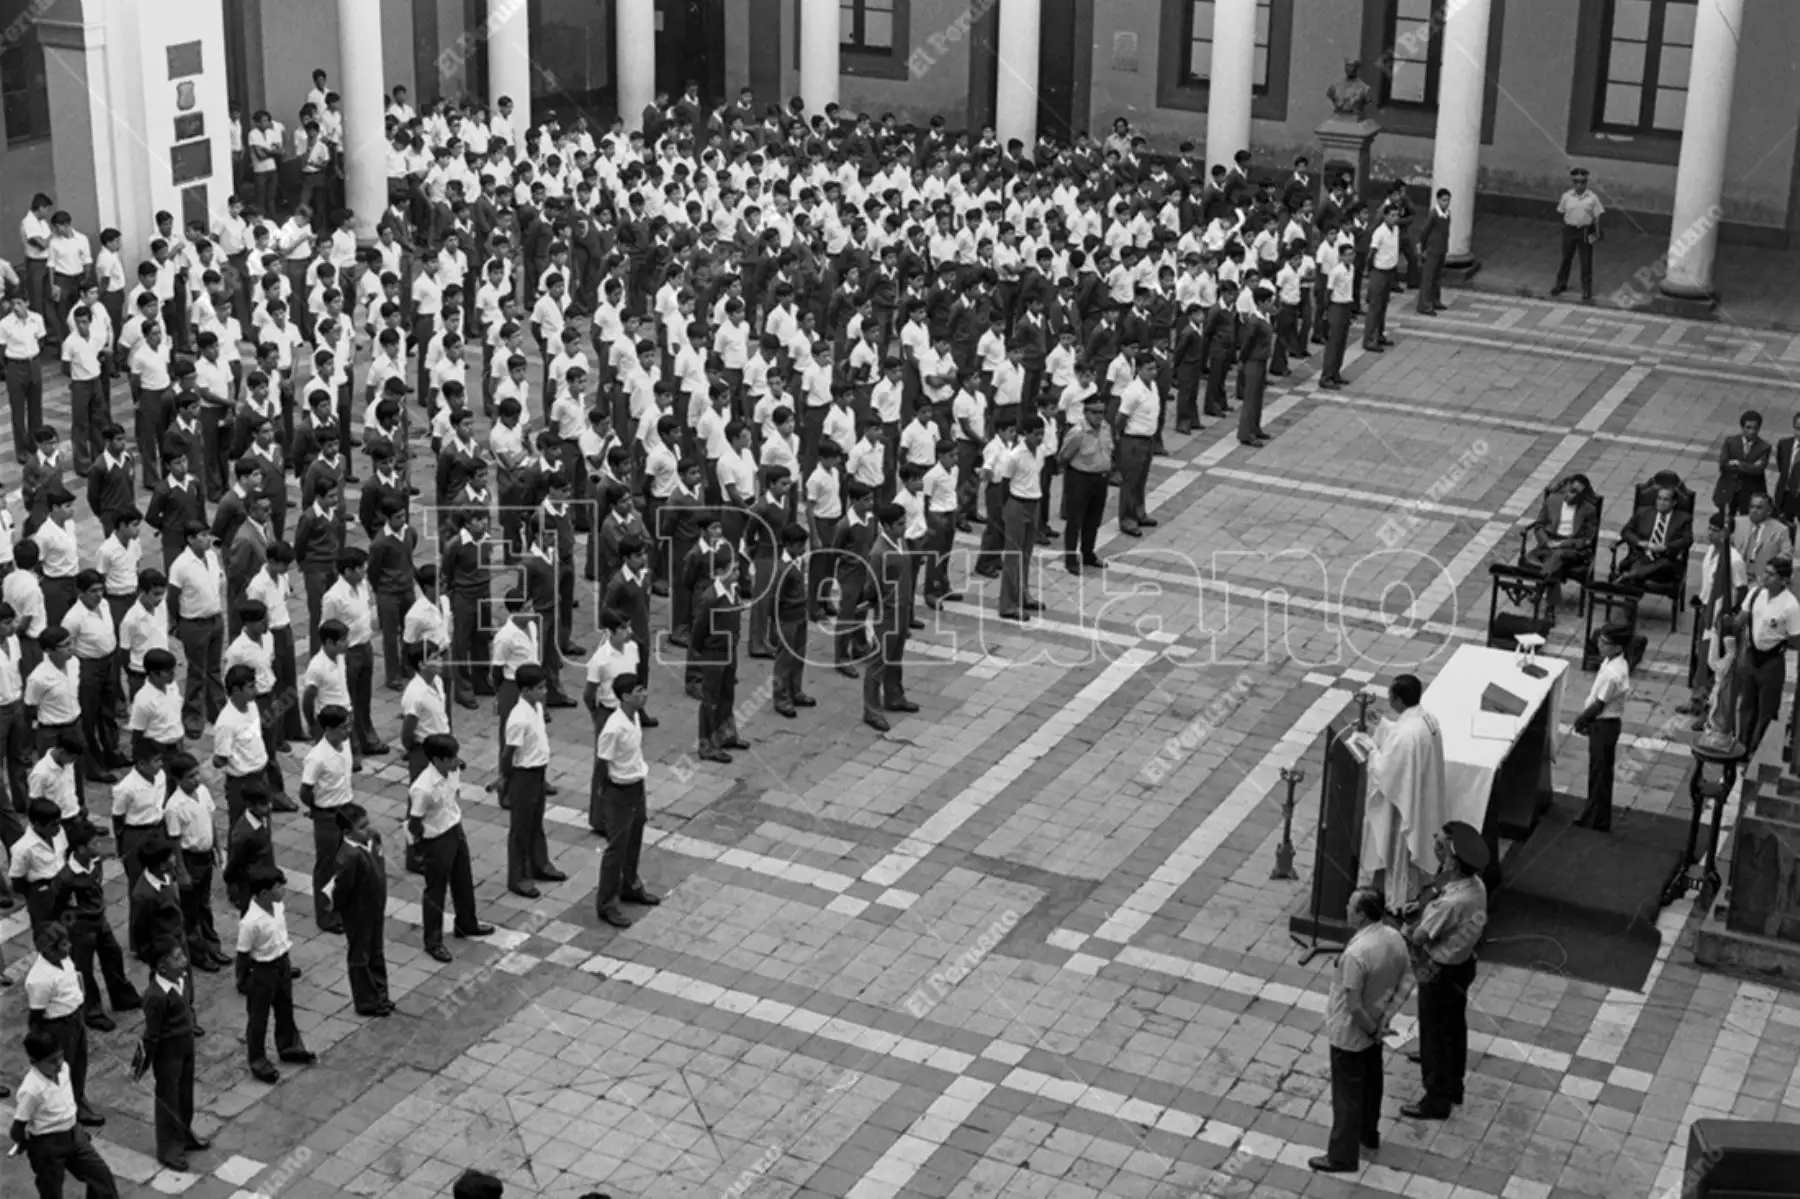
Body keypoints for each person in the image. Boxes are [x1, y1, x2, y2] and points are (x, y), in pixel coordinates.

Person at [1309, 887, 1408, 1174]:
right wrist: (1383, 1021)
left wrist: (1370, 1029)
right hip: (1376, 1022)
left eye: (1350, 906)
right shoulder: (1394, 937)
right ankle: (1368, 1133)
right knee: (1371, 1084)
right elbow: (1405, 980)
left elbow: (1352, 1004)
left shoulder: (1356, 954)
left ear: (1362, 914)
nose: (1345, 908)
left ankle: (1341, 1156)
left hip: (1352, 1034)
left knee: (1347, 1095)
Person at [1401, 821, 1489, 1122]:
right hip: (1462, 966)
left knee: (1435, 1033)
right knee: (1453, 1027)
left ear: (1453, 858)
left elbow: (1419, 937)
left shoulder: (1452, 902)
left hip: (1439, 970)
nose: (1435, 847)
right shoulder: (1475, 886)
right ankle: (1454, 1085)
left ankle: (1436, 1099)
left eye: (1440, 845)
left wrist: (1408, 925)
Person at [1362, 673, 1446, 915]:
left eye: (1390, 695)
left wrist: (1370, 749)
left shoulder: (1407, 733)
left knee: (1402, 855)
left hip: (1405, 805)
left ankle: (1399, 901)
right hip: (1422, 798)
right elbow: (1404, 741)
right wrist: (1384, 725)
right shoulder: (1427, 719)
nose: (1388, 699)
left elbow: (1386, 770)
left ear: (1398, 700)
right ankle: (1416, 891)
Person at [46, 820, 141, 1031]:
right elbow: (56, 908)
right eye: (93, 842)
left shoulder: (95, 861)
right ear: (80, 848)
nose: (98, 845)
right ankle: (92, 1011)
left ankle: (122, 996)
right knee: (85, 969)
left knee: (113, 955)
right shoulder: (66, 878)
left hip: (100, 920)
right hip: (81, 928)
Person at [408, 733, 493, 960]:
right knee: (436, 890)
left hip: (455, 828)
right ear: (436, 760)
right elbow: (414, 822)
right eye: (451, 757)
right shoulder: (423, 788)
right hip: (435, 838)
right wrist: (419, 845)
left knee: (463, 879)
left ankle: (466, 923)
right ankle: (433, 940)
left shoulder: (453, 770)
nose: (456, 761)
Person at [11, 1028, 122, 1198]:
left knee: (101, 1177)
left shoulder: (64, 1069)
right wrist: (30, 1144)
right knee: (51, 1190)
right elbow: (17, 1128)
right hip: (48, 1144)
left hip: (74, 1134)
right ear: (34, 1062)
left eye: (60, 1056)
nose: (59, 1064)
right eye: (51, 1061)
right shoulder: (31, 1090)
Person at [235, 866, 317, 1083]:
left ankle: (289, 1046)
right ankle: (258, 1060)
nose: (283, 889)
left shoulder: (278, 906)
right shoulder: (250, 922)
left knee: (285, 1007)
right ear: (263, 893)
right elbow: (242, 955)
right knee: (258, 1017)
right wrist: (244, 981)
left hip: (282, 962)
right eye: (279, 887)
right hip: (262, 969)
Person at [24, 922, 105, 1128]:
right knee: (63, 1068)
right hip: (58, 1026)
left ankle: (79, 1100)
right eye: (63, 944)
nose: (68, 947)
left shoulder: (64, 960)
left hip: (74, 1018)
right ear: (49, 949)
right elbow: (36, 1015)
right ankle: (66, 1110)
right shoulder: (40, 979)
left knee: (80, 1063)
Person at [136, 944, 209, 1170]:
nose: (184, 960)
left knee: (185, 1094)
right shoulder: (155, 996)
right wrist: (139, 1065)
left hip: (186, 1046)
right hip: (168, 1055)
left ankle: (185, 1134)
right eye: (176, 958)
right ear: (162, 968)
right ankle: (168, 1147)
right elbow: (150, 1035)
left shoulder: (182, 980)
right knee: (169, 1099)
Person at [595, 673, 658, 928]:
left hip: (636, 785)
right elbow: (602, 763)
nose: (644, 694)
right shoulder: (613, 727)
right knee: (616, 847)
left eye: (643, 689)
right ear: (625, 697)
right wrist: (605, 793)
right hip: (619, 790)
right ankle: (606, 903)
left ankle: (630, 884)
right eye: (638, 691)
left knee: (635, 838)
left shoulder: (634, 718)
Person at [500, 664, 566, 897]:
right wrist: (505, 780)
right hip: (523, 775)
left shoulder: (536, 707)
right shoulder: (518, 718)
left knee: (535, 822)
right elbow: (508, 753)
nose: (544, 691)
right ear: (526, 690)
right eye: (539, 688)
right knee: (520, 828)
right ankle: (518, 878)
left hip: (538, 772)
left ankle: (540, 864)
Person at [163, 751, 228, 969]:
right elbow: (174, 841)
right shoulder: (174, 807)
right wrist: (181, 871)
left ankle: (213, 947)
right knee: (191, 911)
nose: (196, 779)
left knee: (205, 904)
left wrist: (218, 850)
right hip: (190, 859)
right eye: (190, 776)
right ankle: (198, 954)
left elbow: (211, 822)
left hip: (206, 855)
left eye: (197, 774)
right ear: (178, 779)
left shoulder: (203, 792)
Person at [327, 802, 393, 1017]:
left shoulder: (373, 838)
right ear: (348, 831)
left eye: (367, 824)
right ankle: (366, 1001)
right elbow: (342, 889)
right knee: (360, 956)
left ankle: (380, 993)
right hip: (358, 913)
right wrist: (338, 909)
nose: (367, 830)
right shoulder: (348, 857)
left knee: (377, 951)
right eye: (362, 827)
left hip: (376, 906)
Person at [1733, 557, 1800, 756]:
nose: (1765, 577)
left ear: (1784, 581)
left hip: (1772, 661)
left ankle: (1757, 753)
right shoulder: (1756, 594)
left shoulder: (1790, 606)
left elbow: (1796, 639)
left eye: (1771, 575)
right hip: (1752, 656)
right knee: (1746, 706)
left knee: (1767, 710)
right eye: (1765, 572)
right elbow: (1741, 620)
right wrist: (1728, 622)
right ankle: (1741, 748)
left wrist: (1779, 639)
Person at [300, 705, 354, 933]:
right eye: (343, 727)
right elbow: (305, 790)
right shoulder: (317, 757)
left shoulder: (346, 745)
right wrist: (316, 808)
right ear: (329, 729)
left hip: (346, 811)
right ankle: (326, 915)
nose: (348, 731)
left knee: (346, 863)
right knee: (327, 867)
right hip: (327, 815)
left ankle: (342, 907)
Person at [863, 502, 917, 731]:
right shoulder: (879, 552)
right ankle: (871, 710)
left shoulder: (900, 542)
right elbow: (871, 587)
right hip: (887, 612)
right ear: (886, 526)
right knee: (878, 662)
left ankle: (894, 696)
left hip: (903, 608)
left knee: (896, 657)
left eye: (904, 522)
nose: (904, 527)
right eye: (899, 524)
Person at [1573, 628, 1631, 832]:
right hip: (1603, 724)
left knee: (1600, 774)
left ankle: (1598, 820)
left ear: (1617, 647)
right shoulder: (1611, 662)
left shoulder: (1614, 674)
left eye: (1604, 642)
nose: (1599, 645)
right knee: (1597, 772)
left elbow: (1599, 704)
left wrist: (1581, 721)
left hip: (1604, 724)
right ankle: (1593, 814)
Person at [693, 550, 748, 763]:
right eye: (732, 570)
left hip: (730, 650)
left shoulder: (734, 590)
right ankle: (707, 744)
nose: (737, 573)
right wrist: (703, 650)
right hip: (714, 653)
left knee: (727, 694)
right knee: (710, 699)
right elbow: (699, 628)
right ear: (718, 572)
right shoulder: (710, 598)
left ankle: (726, 733)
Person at [1058, 394, 1112, 575]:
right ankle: (1070, 558)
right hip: (1080, 478)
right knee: (1075, 520)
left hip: (1100, 478)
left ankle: (1088, 553)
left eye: (1102, 412)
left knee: (1094, 519)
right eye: (1095, 412)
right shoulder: (1077, 432)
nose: (1099, 416)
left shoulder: (1106, 428)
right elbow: (1064, 456)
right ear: (1085, 412)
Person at [1614, 485, 1693, 590]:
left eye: (1665, 500)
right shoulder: (1643, 512)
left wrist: (1665, 547)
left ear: (1674, 503)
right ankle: (1634, 579)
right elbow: (1626, 531)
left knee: (1663, 564)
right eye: (1659, 498)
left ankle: (1632, 575)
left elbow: (1687, 540)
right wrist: (1640, 542)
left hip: (1665, 561)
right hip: (1643, 556)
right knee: (1637, 569)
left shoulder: (1684, 519)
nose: (1661, 502)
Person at [1551, 167, 1603, 303]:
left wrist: (1596, 234)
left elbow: (1597, 217)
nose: (1579, 185)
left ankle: (1586, 290)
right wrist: (1565, 228)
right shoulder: (1566, 196)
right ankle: (1560, 284)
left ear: (1586, 183)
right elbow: (1561, 213)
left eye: (1582, 182)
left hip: (1586, 231)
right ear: (1573, 183)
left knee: (1586, 261)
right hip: (1570, 229)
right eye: (1576, 182)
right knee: (1566, 258)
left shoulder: (1592, 198)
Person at [1363, 206, 1401, 352]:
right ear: (1385, 217)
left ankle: (1379, 334)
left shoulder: (1396, 230)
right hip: (1379, 271)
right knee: (1374, 307)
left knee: (1383, 306)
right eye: (1391, 215)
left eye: (1396, 215)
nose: (1394, 218)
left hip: (1390, 271)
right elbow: (1371, 253)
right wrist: (1370, 271)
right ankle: (1369, 339)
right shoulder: (1379, 232)